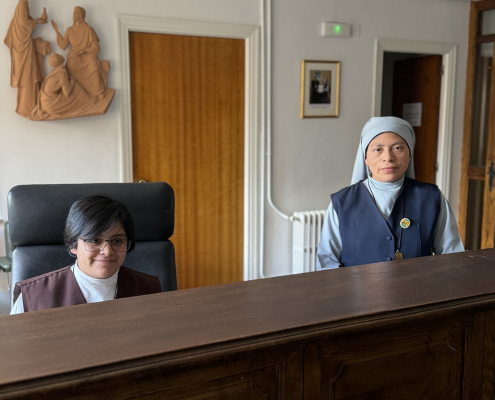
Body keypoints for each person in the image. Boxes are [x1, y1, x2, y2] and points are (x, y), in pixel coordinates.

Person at [317, 116, 464, 269]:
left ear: (410, 154)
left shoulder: (432, 198)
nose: (388, 157)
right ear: (365, 157)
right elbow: (327, 263)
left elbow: (451, 257)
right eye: (378, 149)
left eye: (397, 148)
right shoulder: (341, 203)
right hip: (354, 286)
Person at [11, 195, 161, 314]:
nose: (107, 251)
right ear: (73, 245)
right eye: (94, 240)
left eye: (117, 241)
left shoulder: (150, 290)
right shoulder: (32, 298)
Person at [52, 6, 107, 98]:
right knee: (71, 65)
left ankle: (98, 91)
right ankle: (73, 92)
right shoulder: (70, 30)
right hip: (74, 55)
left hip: (87, 54)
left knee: (93, 63)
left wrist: (86, 50)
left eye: (76, 12)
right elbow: (63, 45)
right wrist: (57, 31)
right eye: (74, 12)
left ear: (81, 15)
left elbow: (96, 47)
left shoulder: (89, 29)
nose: (74, 14)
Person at [4, 0, 48, 117]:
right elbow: (23, 22)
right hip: (23, 47)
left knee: (29, 75)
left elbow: (24, 20)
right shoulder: (23, 4)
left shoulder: (22, 4)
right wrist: (37, 22)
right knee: (28, 75)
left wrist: (36, 21)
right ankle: (27, 107)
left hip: (23, 45)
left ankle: (28, 106)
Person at [28, 53, 97, 121]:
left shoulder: (54, 70)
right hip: (50, 105)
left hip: (44, 102)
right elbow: (67, 93)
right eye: (58, 55)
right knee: (77, 88)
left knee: (73, 85)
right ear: (59, 59)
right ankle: (89, 103)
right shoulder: (62, 72)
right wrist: (72, 82)